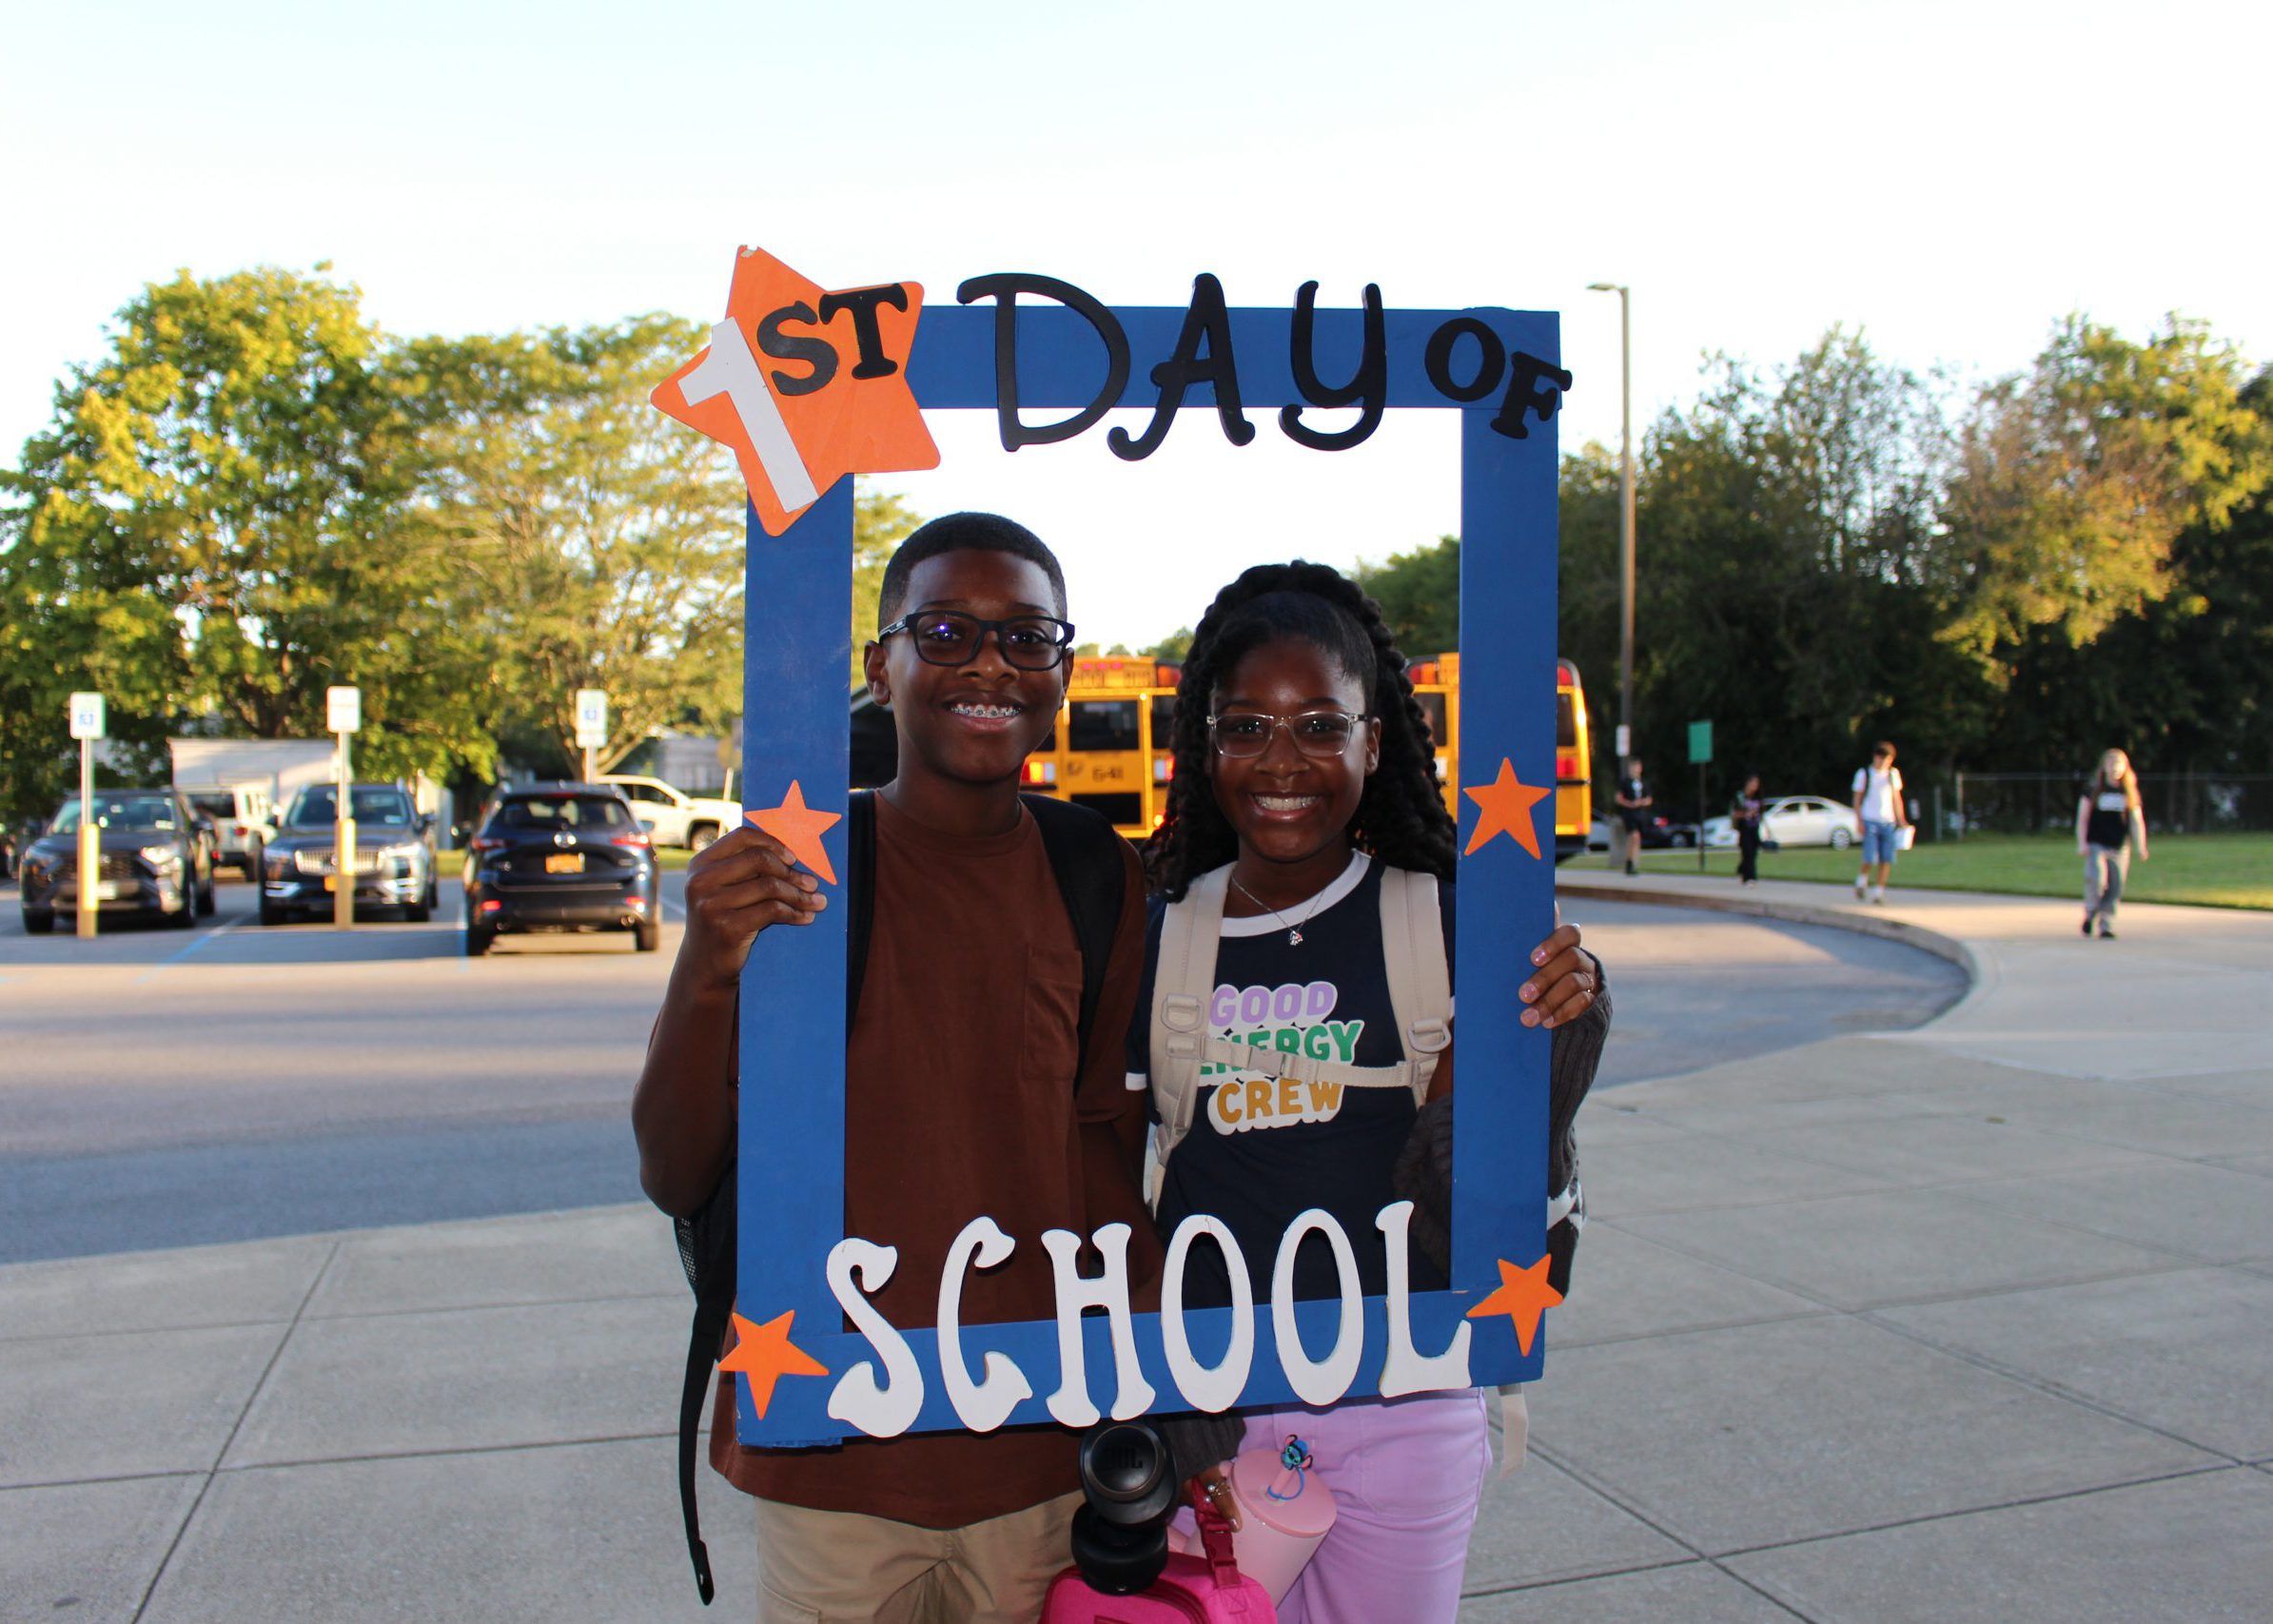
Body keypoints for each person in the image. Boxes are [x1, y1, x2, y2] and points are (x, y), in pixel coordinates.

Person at [632, 513, 1158, 1624]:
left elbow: (1106, 1159)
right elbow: (676, 1170)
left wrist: (1153, 1395)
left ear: (1061, 666)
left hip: (1037, 1451)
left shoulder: (1096, 875)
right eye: (949, 631)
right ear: (882, 664)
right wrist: (710, 963)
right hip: (835, 1462)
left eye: (1027, 639)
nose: (989, 666)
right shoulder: (798, 871)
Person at [1131, 562, 1607, 1624]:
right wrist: (1164, 1393)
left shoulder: (1445, 922)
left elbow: (1480, 1181)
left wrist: (1561, 1027)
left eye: (1319, 725)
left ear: (1374, 741)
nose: (1282, 761)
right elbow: (1112, 1183)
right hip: (1212, 1399)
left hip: (1408, 1402)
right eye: (1245, 727)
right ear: (1204, 749)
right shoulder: (1162, 934)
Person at [2075, 748, 2149, 939]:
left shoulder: (2128, 792)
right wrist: (2082, 842)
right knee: (2097, 880)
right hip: (2097, 843)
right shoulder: (2094, 789)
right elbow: (2082, 817)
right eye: (2111, 764)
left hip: (2119, 846)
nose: (2115, 768)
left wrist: (2141, 846)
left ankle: (2106, 924)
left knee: (2115, 886)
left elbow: (2136, 820)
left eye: (2119, 764)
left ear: (2126, 768)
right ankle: (2090, 913)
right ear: (2104, 766)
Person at [1850, 741, 1910, 905]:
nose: (1884, 763)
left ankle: (1878, 893)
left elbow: (1896, 798)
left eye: (1888, 760)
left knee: (1886, 859)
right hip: (1870, 820)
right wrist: (1859, 820)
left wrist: (1901, 818)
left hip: (1888, 822)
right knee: (1869, 857)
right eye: (1882, 759)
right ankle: (1861, 882)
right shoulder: (1864, 774)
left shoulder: (1892, 774)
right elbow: (1857, 798)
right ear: (1875, 757)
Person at [1615, 757, 1653, 875]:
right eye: (1633, 767)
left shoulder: (1643, 783)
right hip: (1629, 814)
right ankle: (1629, 862)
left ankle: (1633, 862)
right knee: (1634, 836)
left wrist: (1641, 802)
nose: (1636, 769)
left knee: (1637, 839)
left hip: (1640, 814)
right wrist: (1630, 804)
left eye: (1638, 767)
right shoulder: (1625, 782)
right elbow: (1618, 798)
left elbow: (1649, 799)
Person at [1731, 772, 1765, 887]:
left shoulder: (1758, 796)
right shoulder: (1740, 797)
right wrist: (1747, 814)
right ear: (1748, 783)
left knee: (1753, 852)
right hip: (1744, 828)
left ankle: (1741, 869)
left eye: (1757, 784)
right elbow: (1735, 813)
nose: (1755, 786)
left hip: (1755, 827)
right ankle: (1751, 878)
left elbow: (1761, 812)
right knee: (1747, 852)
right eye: (1753, 783)